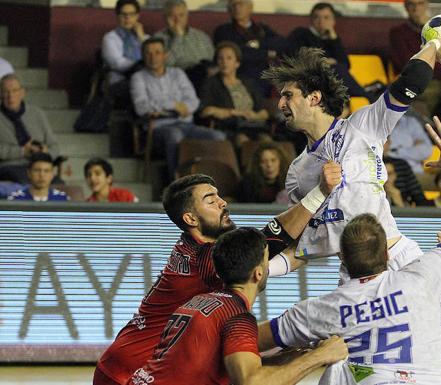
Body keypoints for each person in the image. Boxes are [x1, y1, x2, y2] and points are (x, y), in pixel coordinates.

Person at [263, 46, 441, 385]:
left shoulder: (362, 127)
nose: (281, 104)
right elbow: (307, 244)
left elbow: (410, 83)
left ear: (314, 97)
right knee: (353, 369)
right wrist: (263, 270)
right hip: (355, 279)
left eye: (288, 95)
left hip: (401, 264)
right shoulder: (298, 173)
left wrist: (433, 47)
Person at [94, 166, 343, 385]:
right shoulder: (206, 262)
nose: (222, 202)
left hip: (127, 361)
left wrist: (324, 245)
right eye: (210, 200)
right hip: (129, 370)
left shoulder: (196, 250)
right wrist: (319, 194)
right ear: (190, 218)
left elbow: (266, 259)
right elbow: (268, 241)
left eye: (219, 195)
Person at [127, 227, 348, 385]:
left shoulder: (196, 302)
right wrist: (319, 357)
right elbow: (250, 383)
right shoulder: (237, 317)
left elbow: (205, 364)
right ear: (259, 273)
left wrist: (283, 360)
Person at [130, 37, 225, 180]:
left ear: (165, 55)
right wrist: (174, 105)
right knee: (174, 135)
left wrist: (184, 107)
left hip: (186, 124)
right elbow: (142, 107)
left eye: (157, 52)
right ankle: (177, 182)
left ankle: (217, 182)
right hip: (157, 128)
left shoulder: (178, 74)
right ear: (143, 56)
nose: (153, 57)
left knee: (218, 137)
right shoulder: (138, 78)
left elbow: (193, 101)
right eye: (148, 53)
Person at [287, 2, 369, 101]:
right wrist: (323, 61)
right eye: (317, 17)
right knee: (337, 70)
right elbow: (292, 56)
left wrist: (334, 38)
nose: (321, 21)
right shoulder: (301, 33)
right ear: (312, 20)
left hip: (331, 80)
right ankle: (366, 97)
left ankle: (363, 98)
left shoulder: (332, 39)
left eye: (326, 18)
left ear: (333, 21)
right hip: (308, 77)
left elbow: (345, 64)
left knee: (338, 70)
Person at [196, 41, 270, 147]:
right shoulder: (211, 83)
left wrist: (255, 116)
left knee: (267, 142)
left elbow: (264, 112)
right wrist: (234, 112)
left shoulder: (248, 82)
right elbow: (205, 111)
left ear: (237, 63)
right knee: (243, 141)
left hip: (254, 126)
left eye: (229, 58)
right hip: (230, 128)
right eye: (220, 58)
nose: (224, 62)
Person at [213, 0, 288, 96]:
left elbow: (282, 43)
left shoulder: (261, 29)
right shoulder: (223, 30)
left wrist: (259, 43)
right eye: (233, 5)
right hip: (240, 75)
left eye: (240, 4)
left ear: (250, 8)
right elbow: (239, 53)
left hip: (267, 76)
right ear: (229, 9)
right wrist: (267, 53)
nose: (237, 8)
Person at [0, 74, 60, 184]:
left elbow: (54, 146)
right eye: (5, 92)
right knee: (27, 184)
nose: (10, 96)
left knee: (60, 186)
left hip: (40, 167)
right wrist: (22, 152)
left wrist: (45, 153)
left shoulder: (37, 113)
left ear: (22, 92)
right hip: (11, 167)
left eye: (15, 91)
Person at [154, 0, 215, 90]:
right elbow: (162, 66)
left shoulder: (201, 36)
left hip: (204, 77)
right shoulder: (158, 39)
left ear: (187, 16)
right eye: (172, 16)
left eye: (181, 15)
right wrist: (177, 37)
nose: (177, 20)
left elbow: (213, 59)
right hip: (175, 81)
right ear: (165, 18)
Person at [388, 0, 441, 82]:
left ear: (427, 5)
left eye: (420, 3)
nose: (416, 8)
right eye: (411, 4)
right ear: (406, 6)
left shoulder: (439, 29)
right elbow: (407, 64)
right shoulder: (397, 33)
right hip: (415, 81)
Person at [101, 0, 148, 86]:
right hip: (121, 80)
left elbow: (155, 58)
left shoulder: (145, 38)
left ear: (137, 16)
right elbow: (119, 65)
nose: (127, 18)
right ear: (117, 16)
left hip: (146, 79)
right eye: (123, 14)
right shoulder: (110, 38)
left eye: (132, 14)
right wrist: (141, 64)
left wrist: (141, 38)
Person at [387, 108, 433, 175]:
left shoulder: (411, 122)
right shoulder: (377, 124)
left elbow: (427, 150)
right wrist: (412, 148)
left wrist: (397, 151)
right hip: (391, 173)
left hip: (416, 173)